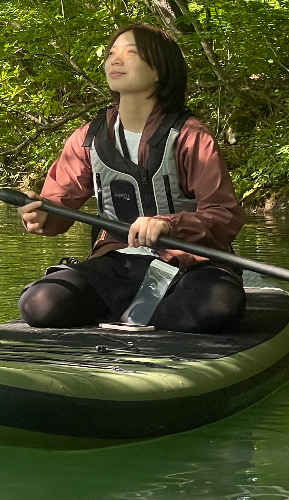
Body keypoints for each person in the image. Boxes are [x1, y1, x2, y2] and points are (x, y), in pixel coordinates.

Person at [16, 24, 246, 333]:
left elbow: (224, 215)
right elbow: (57, 206)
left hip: (191, 264)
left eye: (131, 52)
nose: (115, 59)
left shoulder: (190, 136)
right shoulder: (87, 138)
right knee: (39, 303)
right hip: (119, 263)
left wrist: (168, 224)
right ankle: (146, 311)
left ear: (159, 70)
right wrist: (42, 214)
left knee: (217, 305)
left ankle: (138, 311)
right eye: (112, 53)